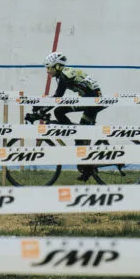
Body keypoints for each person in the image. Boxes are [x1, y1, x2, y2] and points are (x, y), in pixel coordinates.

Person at [38, 51, 103, 182]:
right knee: (60, 112)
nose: (48, 71)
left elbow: (57, 97)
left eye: (49, 68)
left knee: (60, 112)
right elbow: (57, 99)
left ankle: (86, 164)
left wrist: (41, 109)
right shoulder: (66, 73)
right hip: (89, 101)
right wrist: (41, 108)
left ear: (56, 66)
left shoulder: (64, 75)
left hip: (92, 103)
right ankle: (85, 164)